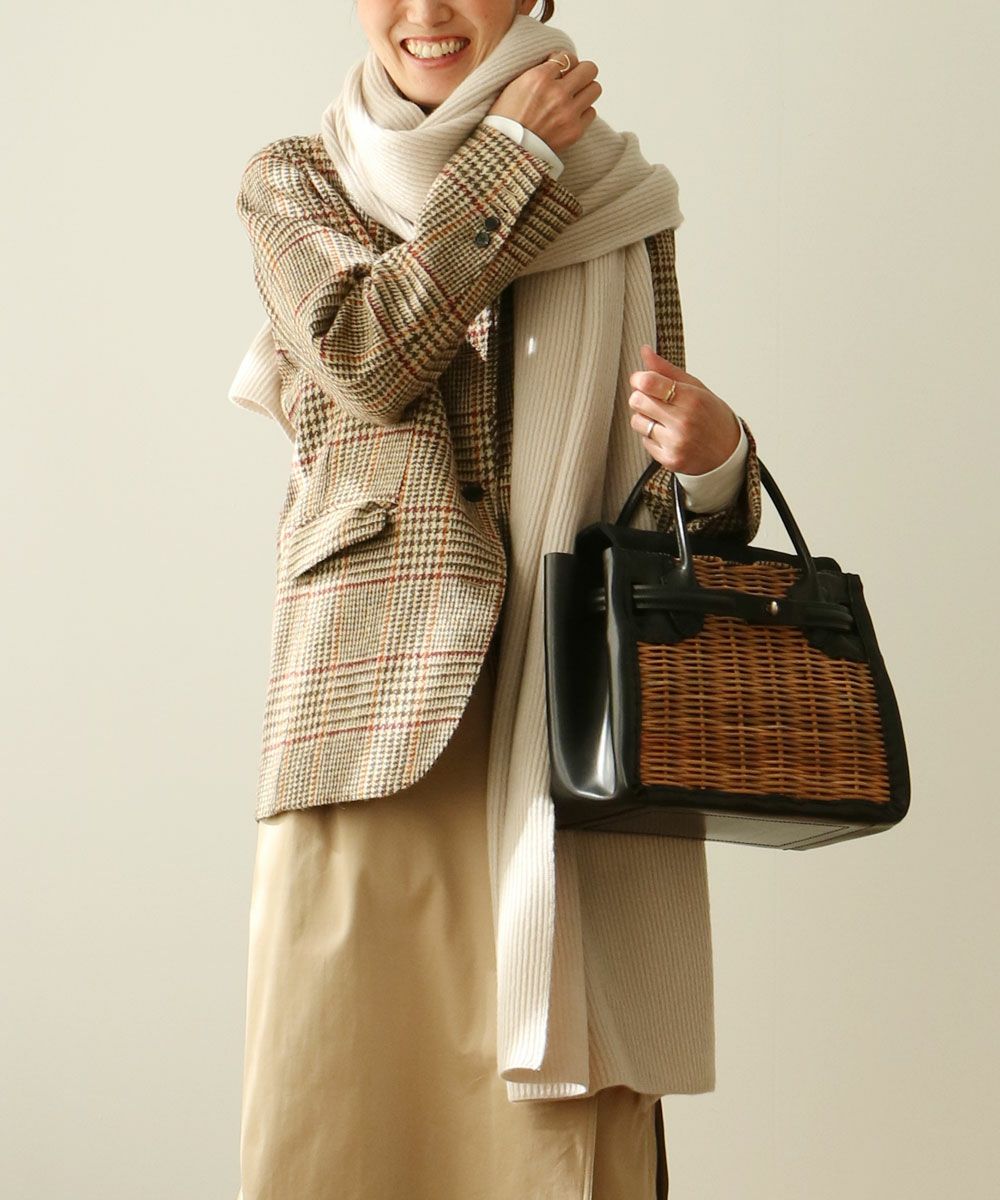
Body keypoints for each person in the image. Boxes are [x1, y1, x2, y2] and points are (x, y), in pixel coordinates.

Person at [228, 2, 762, 1197]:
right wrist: (511, 158)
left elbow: (656, 519)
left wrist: (717, 462)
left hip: (574, 730)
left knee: (552, 1135)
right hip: (370, 714)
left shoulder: (619, 194)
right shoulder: (295, 180)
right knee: (344, 1108)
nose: (426, 12)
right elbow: (366, 356)